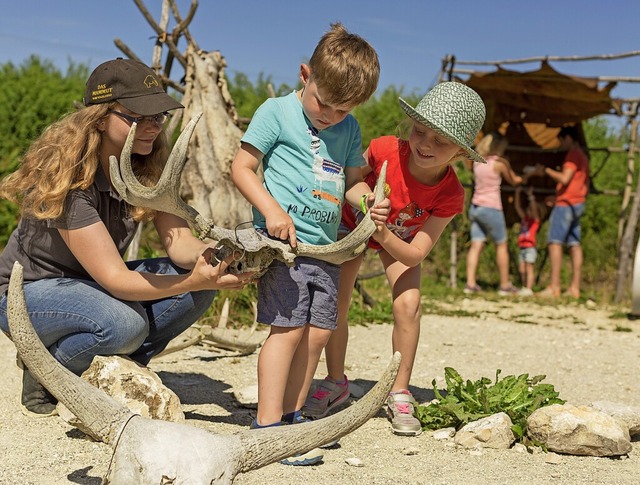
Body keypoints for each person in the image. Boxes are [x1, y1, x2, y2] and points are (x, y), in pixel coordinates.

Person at [0, 58, 254, 417]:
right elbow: (116, 280)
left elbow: (180, 245)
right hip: (28, 292)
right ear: (101, 118)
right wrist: (188, 279)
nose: (152, 126)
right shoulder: (69, 181)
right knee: (125, 325)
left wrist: (218, 254)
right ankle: (45, 368)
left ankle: (114, 368)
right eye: (138, 117)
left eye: (158, 116)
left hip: (90, 286)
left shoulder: (146, 165)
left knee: (199, 288)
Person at [230, 23, 388, 464]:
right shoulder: (275, 112)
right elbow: (242, 168)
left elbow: (353, 183)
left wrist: (369, 202)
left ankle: (294, 415)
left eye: (342, 110)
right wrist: (273, 212)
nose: (330, 116)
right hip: (285, 247)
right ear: (305, 74)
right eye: (324, 104)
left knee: (319, 332)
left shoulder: (349, 128)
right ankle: (268, 426)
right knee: (288, 329)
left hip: (328, 249)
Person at [303, 81, 487, 437]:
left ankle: (399, 390)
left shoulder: (450, 193)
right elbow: (350, 179)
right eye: (420, 132)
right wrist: (367, 206)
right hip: (349, 225)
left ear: (461, 152)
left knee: (409, 305)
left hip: (395, 238)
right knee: (337, 304)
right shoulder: (384, 149)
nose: (425, 145)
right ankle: (336, 381)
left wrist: (384, 233)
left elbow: (417, 252)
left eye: (440, 140)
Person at [464, 131, 523, 296]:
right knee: (501, 245)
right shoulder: (499, 163)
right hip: (492, 207)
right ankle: (504, 285)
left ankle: (470, 283)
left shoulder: (477, 162)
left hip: (475, 206)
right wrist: (530, 174)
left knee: (476, 245)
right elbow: (514, 180)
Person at [535, 125, 589, 298]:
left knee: (554, 242)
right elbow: (580, 183)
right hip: (578, 202)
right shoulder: (583, 156)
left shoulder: (572, 156)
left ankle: (554, 286)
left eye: (561, 141)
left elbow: (565, 178)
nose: (560, 145)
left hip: (567, 203)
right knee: (574, 244)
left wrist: (546, 171)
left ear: (568, 139)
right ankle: (574, 288)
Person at [514, 185, 542, 296]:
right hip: (522, 246)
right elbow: (517, 207)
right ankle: (524, 286)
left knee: (529, 268)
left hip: (530, 247)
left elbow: (534, 209)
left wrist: (531, 197)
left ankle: (529, 288)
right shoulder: (525, 219)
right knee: (522, 268)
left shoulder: (535, 222)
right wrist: (517, 193)